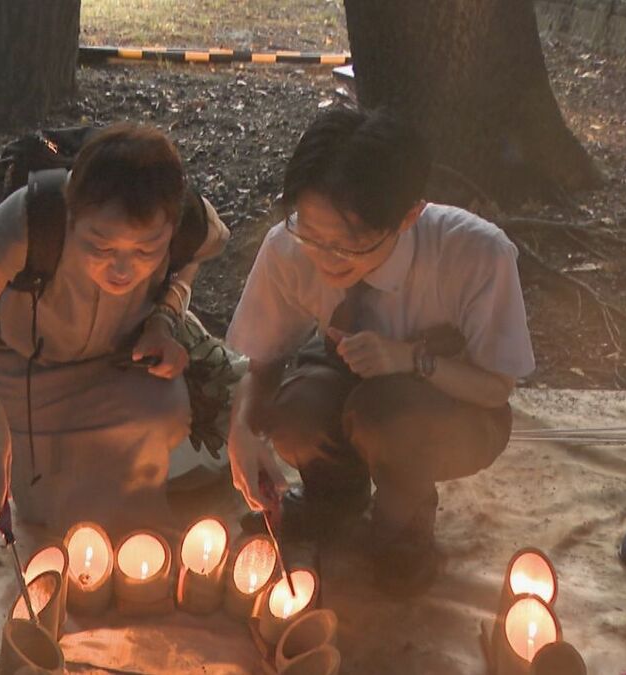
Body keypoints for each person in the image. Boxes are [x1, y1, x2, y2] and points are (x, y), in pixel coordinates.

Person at [225, 108, 535, 595]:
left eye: (350, 246)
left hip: (453, 403)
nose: (325, 258)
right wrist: (241, 431)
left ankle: (403, 522)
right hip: (346, 372)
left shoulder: (474, 254)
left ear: (409, 215)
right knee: (295, 412)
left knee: (384, 417)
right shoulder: (288, 245)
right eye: (311, 233)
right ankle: (333, 501)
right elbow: (261, 362)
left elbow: (496, 388)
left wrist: (412, 359)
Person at [0, 124, 229, 534]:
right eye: (100, 247)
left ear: (170, 228)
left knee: (165, 413)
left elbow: (198, 250)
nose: (121, 269)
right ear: (72, 214)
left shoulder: (187, 219)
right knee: (56, 512)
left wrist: (163, 320)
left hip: (113, 361)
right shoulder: (31, 222)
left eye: (146, 251)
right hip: (26, 371)